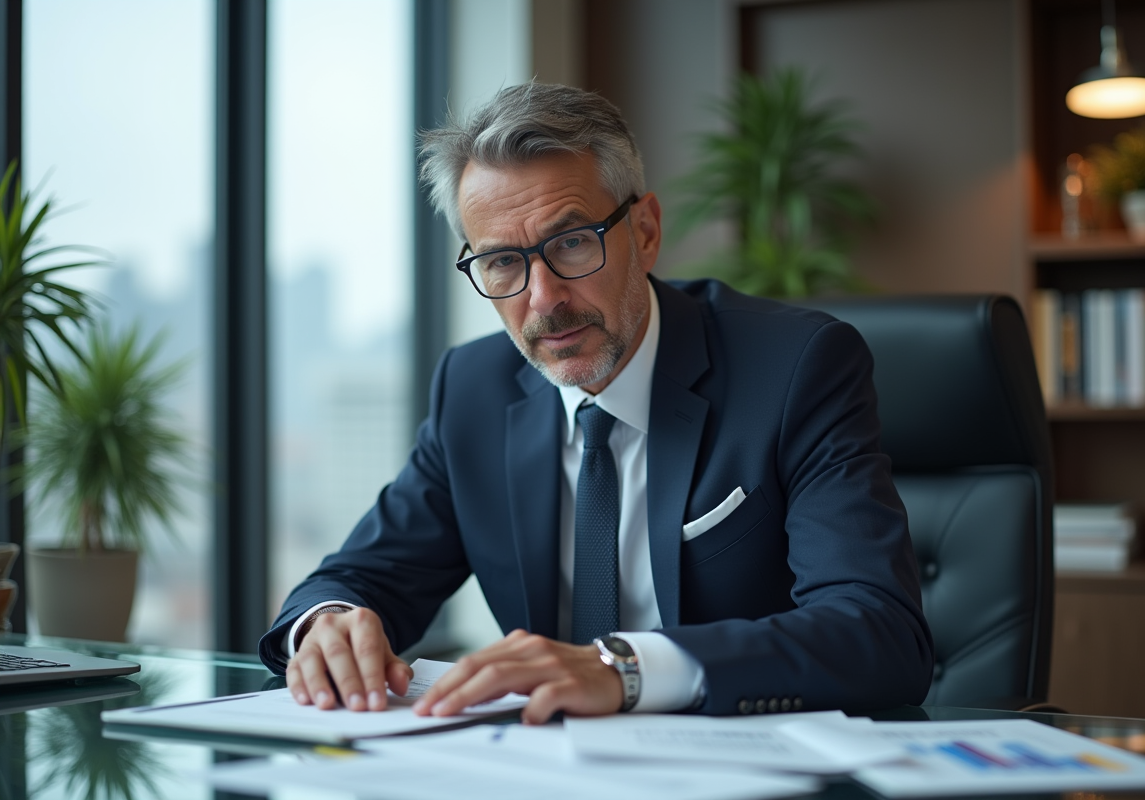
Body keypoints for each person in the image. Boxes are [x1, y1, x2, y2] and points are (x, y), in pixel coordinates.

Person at [259, 82, 934, 723]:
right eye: (502, 263)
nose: (543, 300)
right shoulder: (473, 389)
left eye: (572, 242)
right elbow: (357, 577)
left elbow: (877, 629)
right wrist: (326, 627)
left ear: (644, 231)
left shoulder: (795, 368)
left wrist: (625, 669)